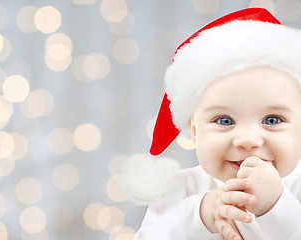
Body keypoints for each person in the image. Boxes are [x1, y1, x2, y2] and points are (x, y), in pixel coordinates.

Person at [121, 8, 301, 240]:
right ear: (195, 130)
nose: (247, 140)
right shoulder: (181, 189)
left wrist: (275, 206)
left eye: (272, 120)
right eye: (225, 121)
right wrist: (202, 214)